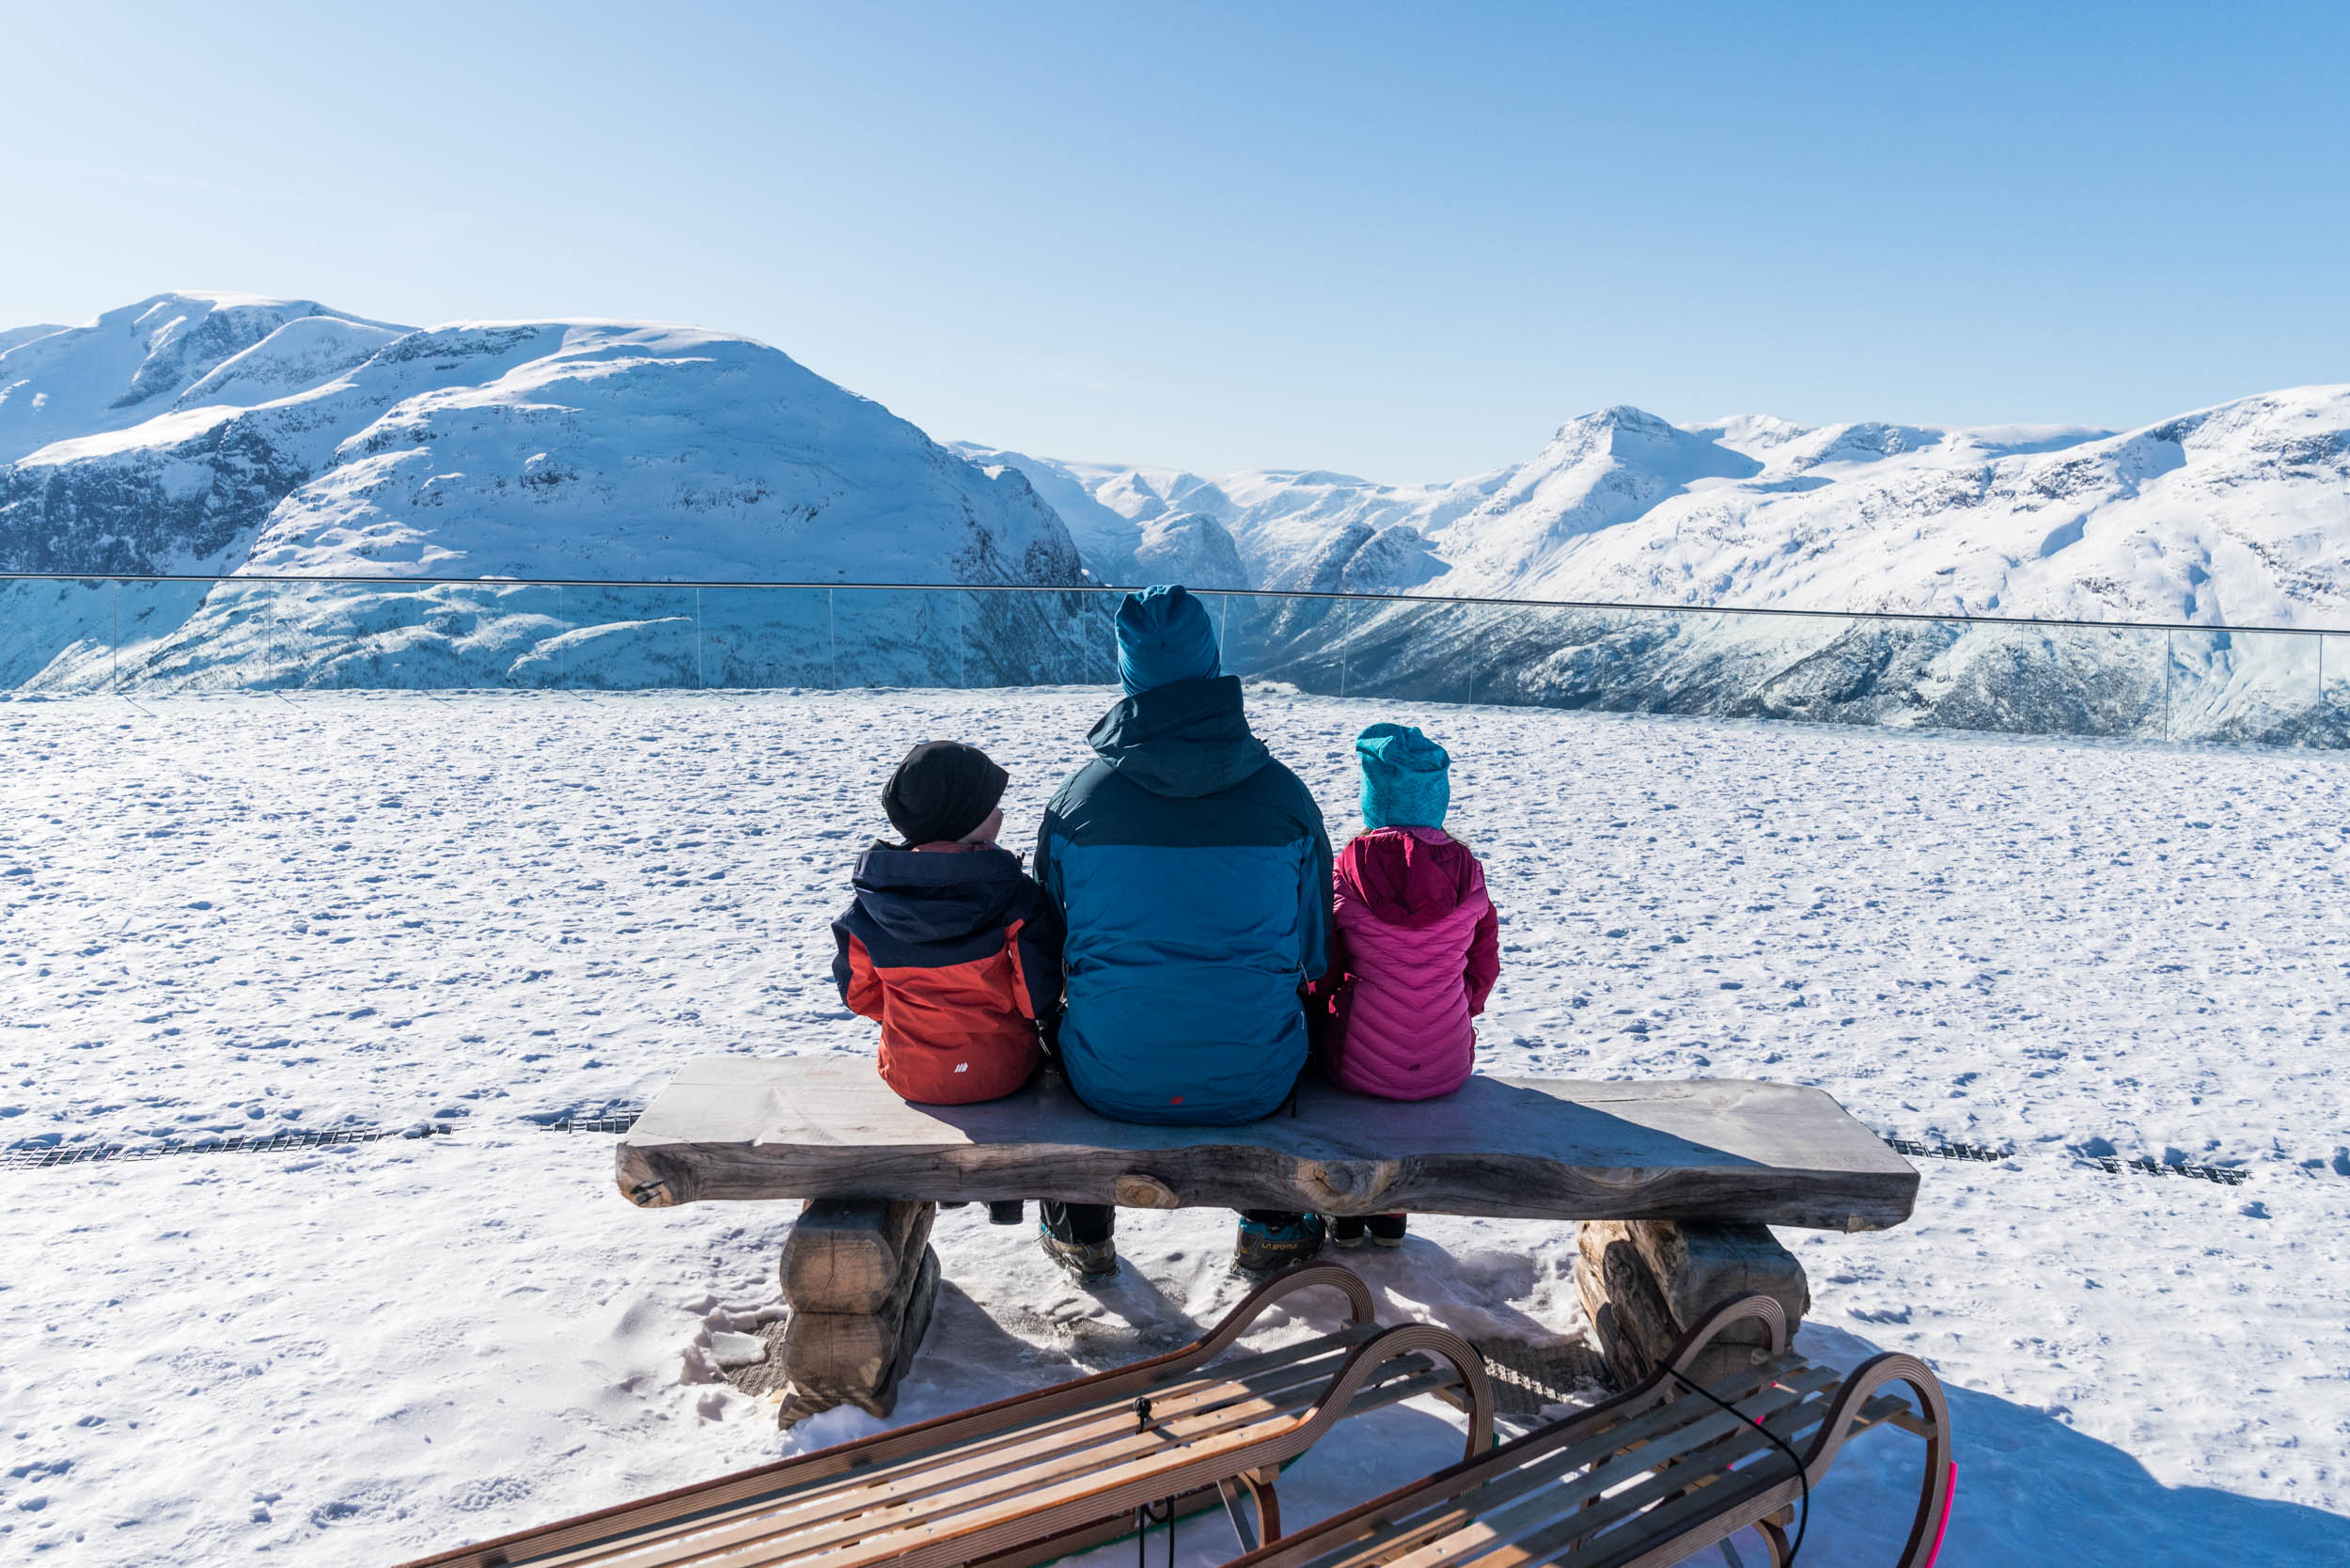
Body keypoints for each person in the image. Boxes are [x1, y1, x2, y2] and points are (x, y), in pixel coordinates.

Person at [1031, 585, 1335, 1279]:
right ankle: (1276, 1229)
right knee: (1273, 1013)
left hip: (1108, 1077)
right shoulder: (1284, 799)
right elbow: (1314, 954)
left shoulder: (1079, 805)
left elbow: (1050, 953)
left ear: (1127, 672)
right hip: (1255, 1079)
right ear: (1211, 663)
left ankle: (1078, 1228)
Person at [1308, 723, 1498, 1249]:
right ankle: (1392, 1219)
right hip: (1446, 1065)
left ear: (1374, 797)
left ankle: (1345, 1217)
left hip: (1355, 1068)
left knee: (1332, 1062)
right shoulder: (1469, 871)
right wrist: (1456, 1010)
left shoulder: (1348, 867)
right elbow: (1482, 971)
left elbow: (1321, 968)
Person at [831, 741, 1062, 1105]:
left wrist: (914, 1023)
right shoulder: (1014, 897)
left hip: (909, 1076)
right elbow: (1038, 998)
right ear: (970, 819)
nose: (1001, 811)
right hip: (1002, 1072)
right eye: (993, 804)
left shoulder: (872, 904)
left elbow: (860, 996)